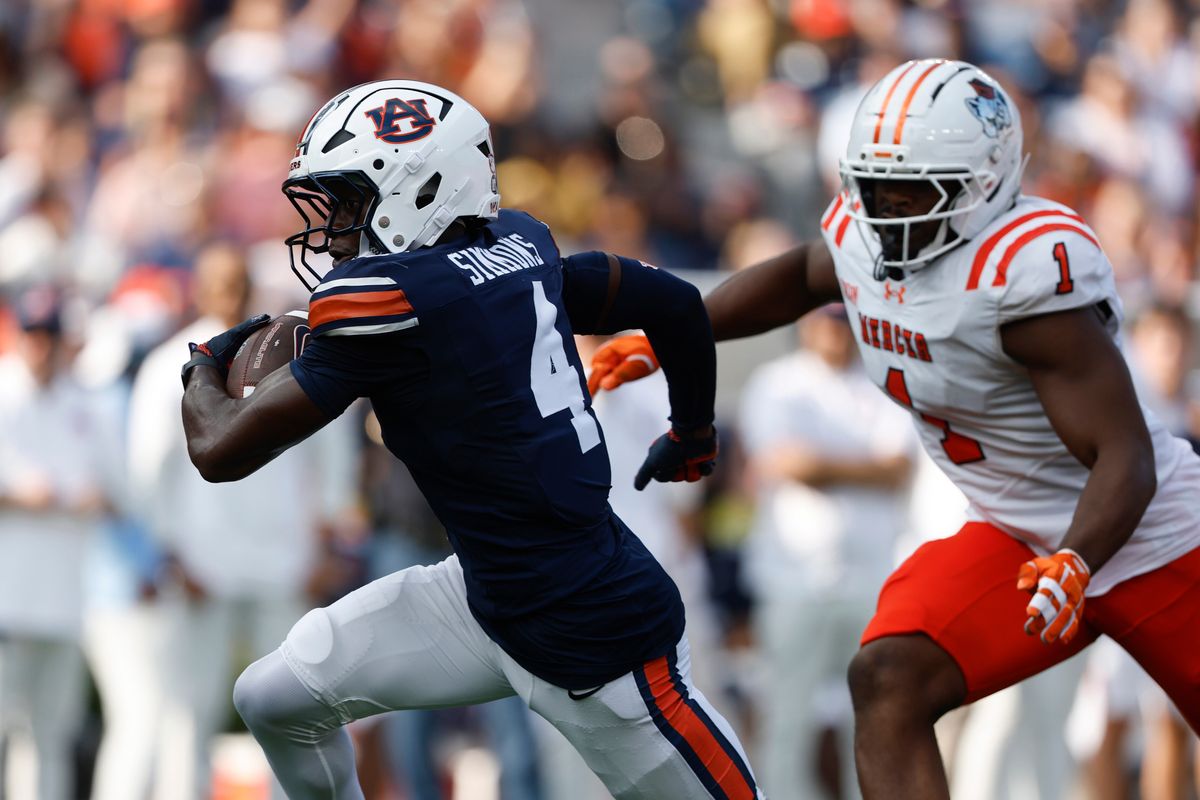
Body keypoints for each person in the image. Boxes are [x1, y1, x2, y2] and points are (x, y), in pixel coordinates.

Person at [588, 58, 1200, 800]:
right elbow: (801, 276)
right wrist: (671, 336)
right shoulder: (866, 241)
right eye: (874, 187)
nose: (883, 211)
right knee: (887, 678)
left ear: (982, 185)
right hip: (1017, 536)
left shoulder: (1022, 281)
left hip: (1149, 536)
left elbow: (1126, 456)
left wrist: (1077, 559)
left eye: (909, 191)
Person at [179, 80, 762, 800]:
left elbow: (218, 452)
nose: (333, 226)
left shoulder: (391, 303)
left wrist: (201, 366)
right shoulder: (521, 248)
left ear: (421, 192)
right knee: (274, 696)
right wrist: (693, 431)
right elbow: (674, 301)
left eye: (350, 202)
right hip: (488, 594)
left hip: (595, 634)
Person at [129, 243, 360, 800]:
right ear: (199, 288)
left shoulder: (288, 347)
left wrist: (328, 540)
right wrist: (170, 553)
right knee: (189, 710)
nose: (228, 293)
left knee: (289, 705)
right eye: (218, 282)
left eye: (236, 282)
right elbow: (146, 470)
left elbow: (330, 451)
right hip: (203, 561)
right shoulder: (169, 364)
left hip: (285, 557)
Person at [738, 308, 914, 800]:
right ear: (804, 323)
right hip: (794, 580)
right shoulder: (776, 382)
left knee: (874, 717)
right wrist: (863, 467)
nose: (834, 329)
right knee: (787, 717)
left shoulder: (881, 383)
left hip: (871, 577)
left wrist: (821, 464)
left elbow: (898, 469)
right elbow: (787, 463)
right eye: (825, 318)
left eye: (842, 318)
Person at [0, 287, 123, 800]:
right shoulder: (4, 393)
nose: (41, 346)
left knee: (51, 733)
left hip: (65, 597)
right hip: (9, 600)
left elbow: (121, 491)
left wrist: (92, 497)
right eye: (33, 334)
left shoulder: (86, 405)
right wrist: (21, 496)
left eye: (48, 335)